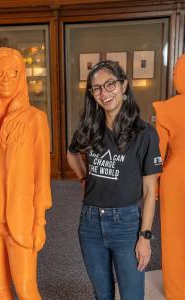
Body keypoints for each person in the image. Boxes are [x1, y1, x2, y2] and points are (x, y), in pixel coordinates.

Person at [67, 60, 162, 300]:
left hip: (127, 225)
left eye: (110, 84)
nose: (104, 93)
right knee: (103, 295)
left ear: (124, 86)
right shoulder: (90, 126)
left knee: (131, 296)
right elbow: (71, 152)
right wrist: (83, 180)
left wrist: (145, 237)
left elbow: (151, 191)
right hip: (89, 223)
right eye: (96, 88)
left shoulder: (145, 133)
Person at [0, 47, 51, 300]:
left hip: (20, 221)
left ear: (21, 77)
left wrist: (40, 222)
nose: (5, 78)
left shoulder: (36, 119)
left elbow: (42, 176)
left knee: (26, 291)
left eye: (13, 73)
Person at [153, 53, 185, 300]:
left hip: (175, 178)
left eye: (176, 69)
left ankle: (176, 292)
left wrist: (151, 188)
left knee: (174, 238)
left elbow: (158, 154)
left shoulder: (166, 109)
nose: (174, 73)